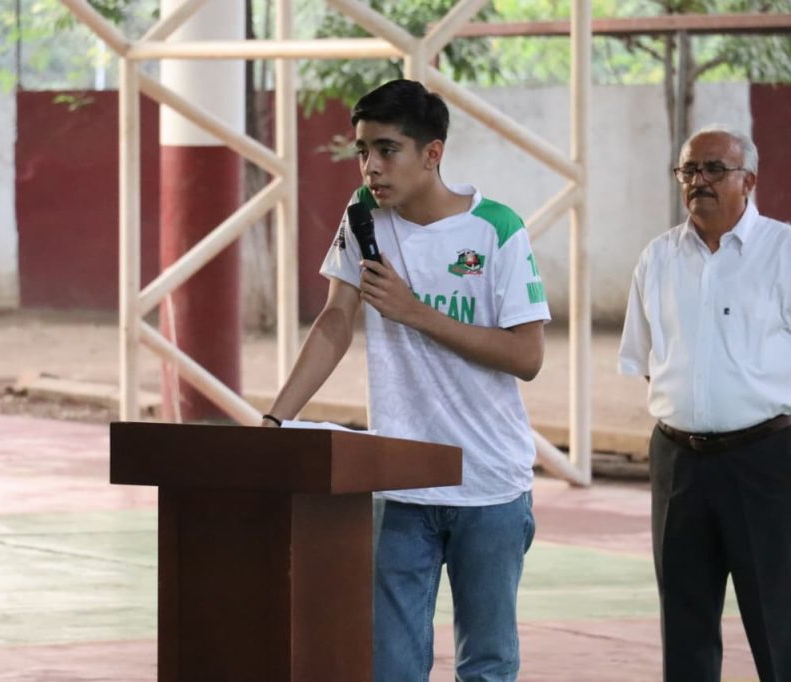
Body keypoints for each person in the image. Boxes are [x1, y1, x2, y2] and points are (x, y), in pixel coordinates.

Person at [260, 79, 550, 682]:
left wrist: (414, 312)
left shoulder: (496, 228)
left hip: (489, 485)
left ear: (432, 153)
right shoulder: (363, 217)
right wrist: (275, 419)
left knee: (487, 664)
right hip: (398, 484)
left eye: (387, 150)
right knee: (390, 667)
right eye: (363, 151)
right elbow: (335, 321)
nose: (371, 166)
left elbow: (527, 356)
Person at [618, 125, 791, 682]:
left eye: (715, 169)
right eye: (689, 170)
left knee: (778, 619)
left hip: (767, 460)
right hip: (678, 463)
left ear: (750, 181)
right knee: (684, 624)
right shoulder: (657, 257)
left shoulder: (783, 252)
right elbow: (649, 359)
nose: (699, 181)